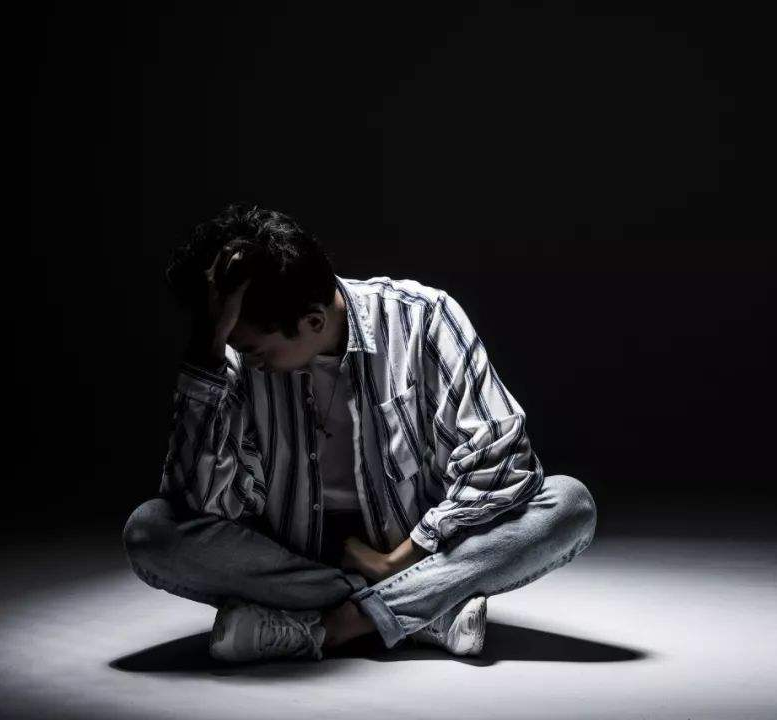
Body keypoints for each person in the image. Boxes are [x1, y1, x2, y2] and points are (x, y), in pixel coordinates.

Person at [122, 203, 598, 662]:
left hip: (412, 549)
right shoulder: (232, 356)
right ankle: (420, 608)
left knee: (569, 505)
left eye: (252, 349)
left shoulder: (423, 317)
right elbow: (194, 502)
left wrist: (400, 559)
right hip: (296, 561)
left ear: (312, 321)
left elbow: (504, 461)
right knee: (150, 530)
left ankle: (331, 626)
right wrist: (204, 352)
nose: (243, 358)